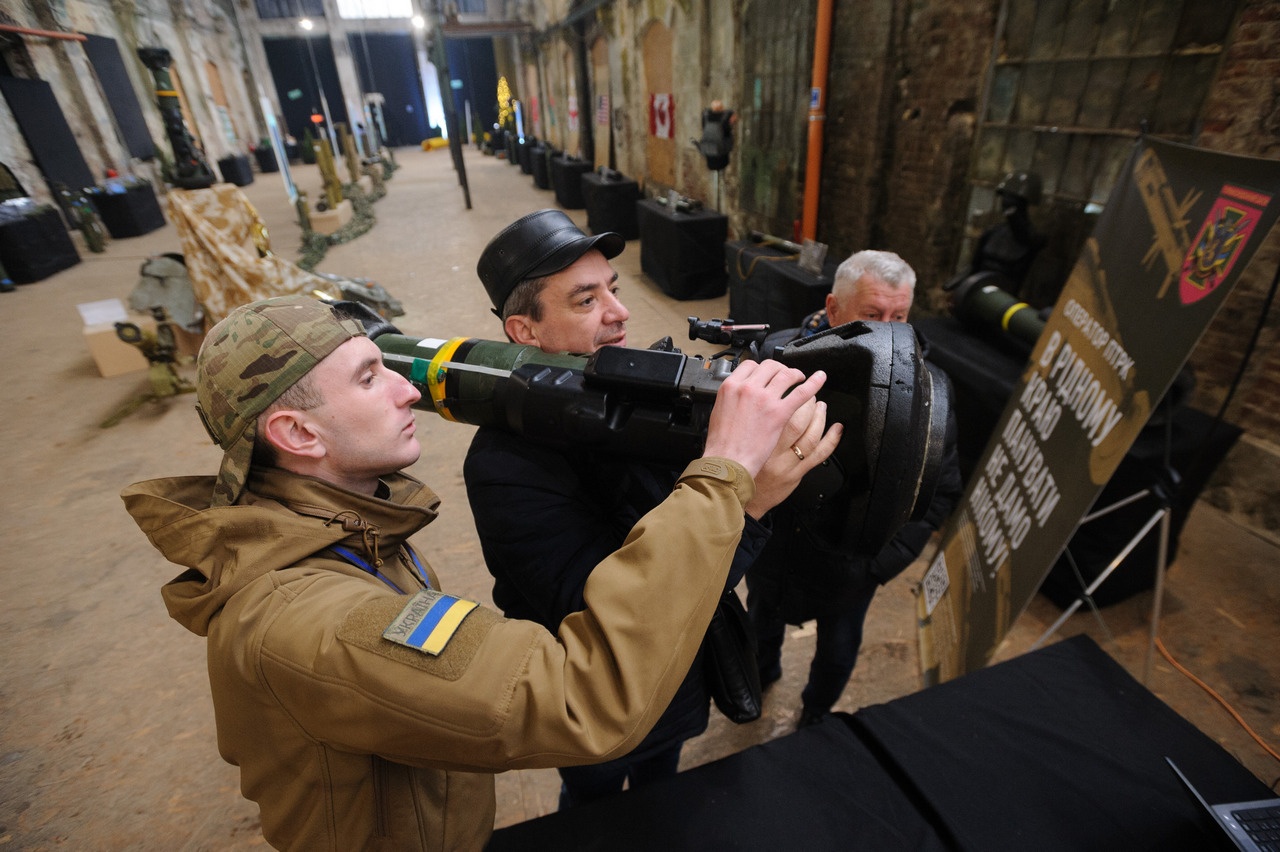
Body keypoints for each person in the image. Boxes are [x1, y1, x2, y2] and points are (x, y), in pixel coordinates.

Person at [120, 294, 834, 850]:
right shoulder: (314, 622)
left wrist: (746, 500)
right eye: (370, 378)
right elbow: (582, 698)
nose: (408, 392)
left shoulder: (342, 527)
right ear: (298, 434)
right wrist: (724, 473)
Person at [464, 209, 837, 807]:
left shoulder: (641, 397)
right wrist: (751, 504)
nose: (619, 311)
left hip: (683, 682)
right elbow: (612, 614)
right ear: (525, 330)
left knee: (666, 786)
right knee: (595, 805)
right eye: (586, 301)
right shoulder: (505, 466)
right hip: (594, 710)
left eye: (612, 288)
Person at [748, 249, 963, 727]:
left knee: (838, 650)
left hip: (848, 575)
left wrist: (874, 566)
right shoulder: (774, 360)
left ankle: (817, 717)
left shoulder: (928, 394)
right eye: (872, 315)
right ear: (833, 308)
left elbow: (940, 494)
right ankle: (758, 681)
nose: (889, 329)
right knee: (759, 627)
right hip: (771, 555)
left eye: (900, 316)